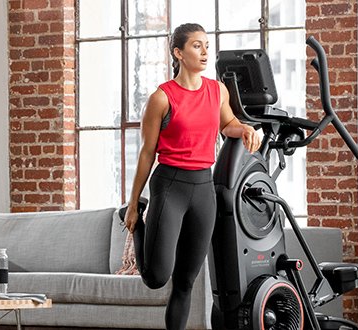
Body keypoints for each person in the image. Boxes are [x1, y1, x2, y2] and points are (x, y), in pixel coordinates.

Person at [122, 23, 260, 330]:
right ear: (178, 53)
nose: (205, 52)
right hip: (170, 185)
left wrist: (246, 129)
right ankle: (140, 225)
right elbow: (146, 153)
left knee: (186, 282)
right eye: (197, 46)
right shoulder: (162, 98)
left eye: (207, 45)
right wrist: (133, 204)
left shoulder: (217, 90)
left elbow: (228, 125)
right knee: (158, 278)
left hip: (203, 188)